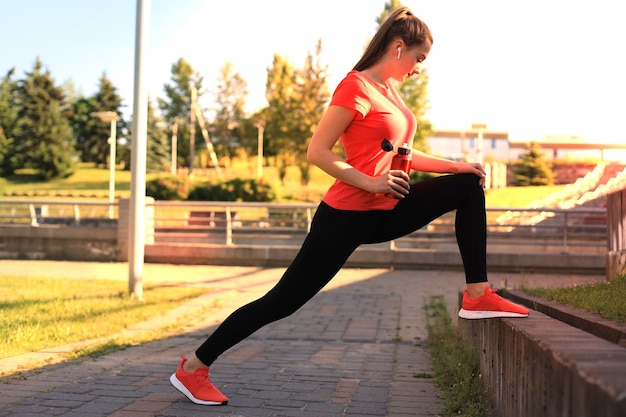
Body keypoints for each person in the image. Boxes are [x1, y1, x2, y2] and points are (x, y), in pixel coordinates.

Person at [169, 5, 529, 406]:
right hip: (343, 218)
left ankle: (477, 294)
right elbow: (318, 152)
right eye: (418, 58)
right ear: (397, 48)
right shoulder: (354, 87)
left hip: (385, 209)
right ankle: (194, 367)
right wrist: (373, 181)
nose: (419, 69)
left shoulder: (390, 92)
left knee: (467, 186)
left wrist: (457, 166)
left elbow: (405, 153)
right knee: (281, 301)